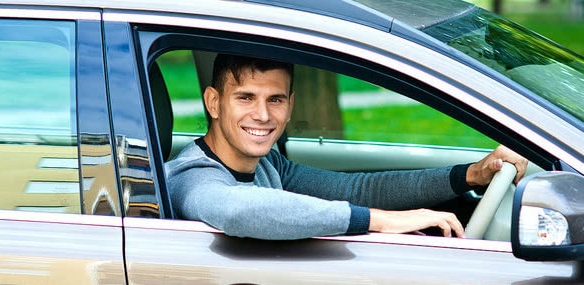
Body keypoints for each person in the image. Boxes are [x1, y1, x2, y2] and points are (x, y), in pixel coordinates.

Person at [165, 53, 528, 240]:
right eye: (245, 98)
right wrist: (380, 222)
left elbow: (355, 189)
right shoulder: (191, 177)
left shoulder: (268, 166)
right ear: (214, 103)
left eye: (275, 100)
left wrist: (470, 174)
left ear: (290, 106)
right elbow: (238, 213)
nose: (262, 115)